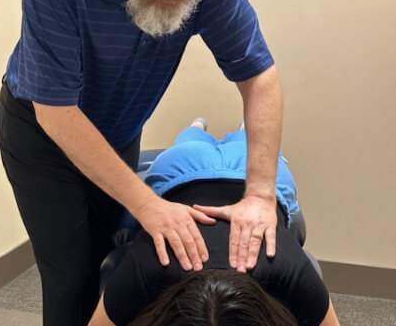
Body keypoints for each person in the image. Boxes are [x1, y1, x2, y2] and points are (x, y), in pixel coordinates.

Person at [0, 0, 284, 325]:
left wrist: (259, 195)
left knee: (114, 255)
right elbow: (57, 112)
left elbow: (260, 77)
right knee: (71, 278)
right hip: (43, 132)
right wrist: (149, 205)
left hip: (120, 127)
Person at [88, 119, 340, 326]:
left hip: (195, 167)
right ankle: (204, 129)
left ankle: (211, 129)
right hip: (182, 171)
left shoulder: (292, 271)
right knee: (196, 141)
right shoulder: (146, 268)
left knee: (203, 142)